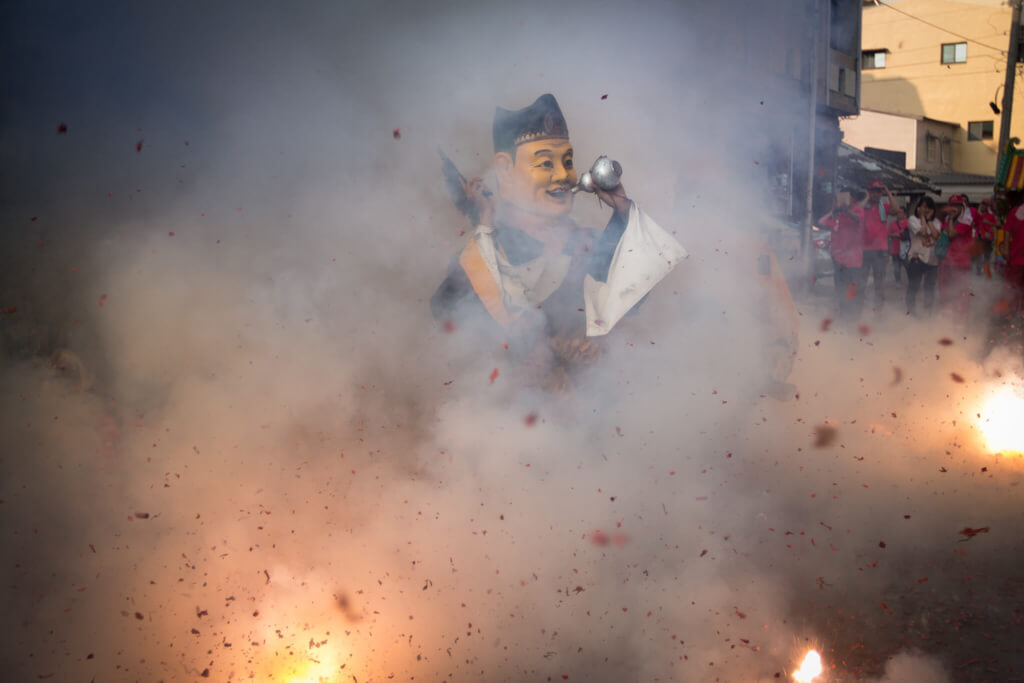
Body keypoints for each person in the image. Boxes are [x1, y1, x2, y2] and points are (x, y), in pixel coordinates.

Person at [430, 94, 687, 391]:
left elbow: (630, 297)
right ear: (504, 170)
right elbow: (461, 325)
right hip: (514, 423)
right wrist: (485, 223)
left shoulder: (587, 244)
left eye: (567, 162)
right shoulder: (486, 253)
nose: (564, 175)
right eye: (545, 163)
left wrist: (622, 210)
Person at [818, 188, 866, 321]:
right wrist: (834, 211)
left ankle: (854, 318)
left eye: (847, 197)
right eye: (841, 197)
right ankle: (844, 317)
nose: (844, 200)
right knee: (840, 290)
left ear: (854, 199)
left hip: (854, 260)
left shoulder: (858, 211)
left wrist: (846, 211)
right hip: (839, 259)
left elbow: (858, 221)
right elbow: (821, 222)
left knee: (853, 291)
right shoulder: (838, 215)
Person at [937, 194, 975, 327]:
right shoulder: (948, 219)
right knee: (946, 293)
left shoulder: (966, 219)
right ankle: (947, 321)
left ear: (962, 206)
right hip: (947, 262)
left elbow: (951, 234)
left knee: (961, 294)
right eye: (952, 205)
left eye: (957, 205)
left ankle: (961, 324)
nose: (954, 208)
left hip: (961, 263)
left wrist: (951, 219)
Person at [861, 179, 898, 309]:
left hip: (880, 251)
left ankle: (879, 311)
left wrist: (888, 193)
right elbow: (857, 211)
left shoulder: (884, 207)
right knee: (862, 281)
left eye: (878, 191)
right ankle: (860, 309)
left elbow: (896, 209)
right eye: (873, 191)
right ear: (869, 192)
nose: (875, 194)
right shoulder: (864, 206)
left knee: (879, 283)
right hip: (865, 250)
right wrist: (866, 197)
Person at [901, 196, 941, 316]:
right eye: (924, 206)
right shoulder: (912, 219)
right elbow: (923, 232)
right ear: (918, 208)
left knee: (930, 287)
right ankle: (911, 311)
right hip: (917, 257)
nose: (926, 209)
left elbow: (936, 235)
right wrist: (923, 217)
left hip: (933, 259)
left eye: (929, 207)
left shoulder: (936, 222)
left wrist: (928, 220)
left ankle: (928, 311)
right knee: (914, 285)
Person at [975, 198, 998, 276]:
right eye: (982, 204)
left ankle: (986, 272)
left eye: (985, 205)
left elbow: (995, 226)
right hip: (979, 238)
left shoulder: (991, 215)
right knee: (978, 256)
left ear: (988, 206)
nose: (983, 206)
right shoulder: (978, 215)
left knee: (987, 256)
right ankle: (979, 272)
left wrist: (994, 238)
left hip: (988, 239)